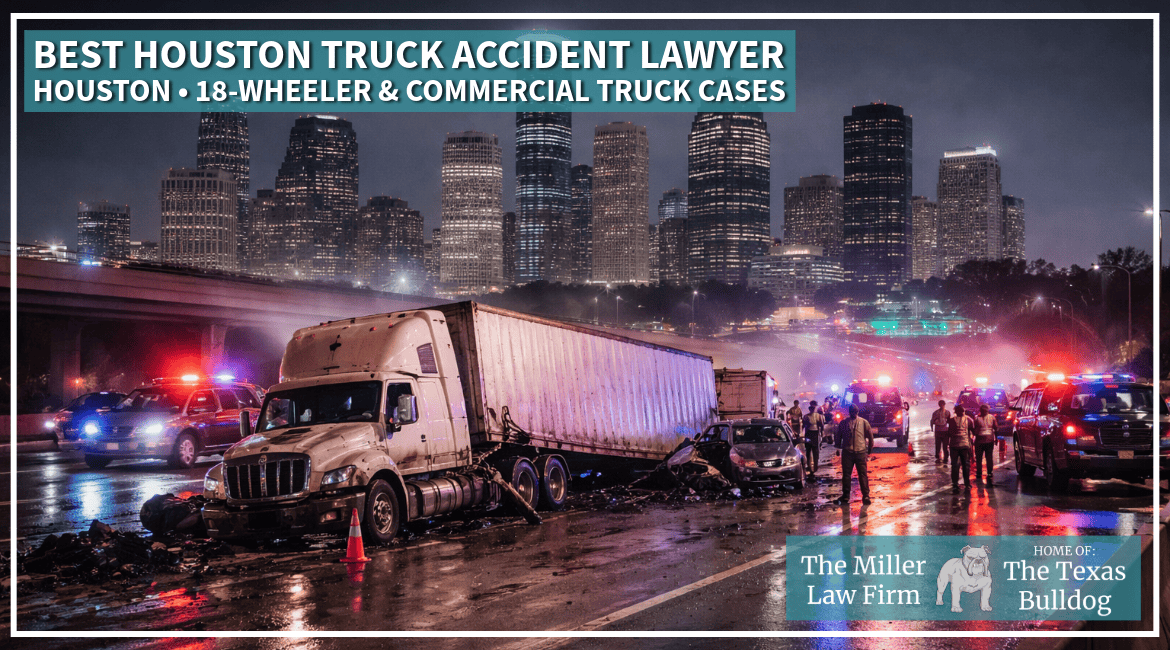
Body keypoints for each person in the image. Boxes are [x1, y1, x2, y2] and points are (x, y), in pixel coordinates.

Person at [834, 404, 874, 505]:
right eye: (852, 412)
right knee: (848, 475)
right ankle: (847, 496)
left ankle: (865, 496)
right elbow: (838, 436)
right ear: (850, 412)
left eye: (854, 412)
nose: (854, 414)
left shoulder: (863, 422)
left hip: (858, 452)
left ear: (857, 412)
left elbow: (870, 436)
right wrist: (837, 447)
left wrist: (870, 447)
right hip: (849, 452)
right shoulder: (844, 423)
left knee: (860, 475)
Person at [948, 404, 975, 493]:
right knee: (966, 465)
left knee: (955, 465)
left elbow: (949, 433)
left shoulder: (951, 420)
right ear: (964, 412)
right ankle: (967, 484)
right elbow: (973, 431)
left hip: (954, 445)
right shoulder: (969, 420)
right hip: (965, 445)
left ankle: (955, 484)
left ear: (955, 412)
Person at [972, 403, 998, 485]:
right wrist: (996, 438)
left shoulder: (977, 419)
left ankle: (979, 473)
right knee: (989, 457)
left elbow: (974, 430)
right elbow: (996, 428)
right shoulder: (992, 418)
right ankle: (989, 472)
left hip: (979, 441)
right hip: (989, 440)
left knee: (979, 458)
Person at [803, 400, 826, 476]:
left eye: (814, 407)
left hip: (815, 434)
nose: (813, 409)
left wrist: (821, 434)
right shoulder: (806, 416)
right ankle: (809, 466)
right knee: (808, 451)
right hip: (809, 434)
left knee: (815, 451)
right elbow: (804, 425)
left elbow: (821, 425)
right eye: (812, 408)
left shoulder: (818, 416)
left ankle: (815, 466)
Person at [931, 399, 952, 465]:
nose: (942, 405)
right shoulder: (947, 412)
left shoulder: (936, 413)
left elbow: (932, 421)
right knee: (942, 445)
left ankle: (940, 457)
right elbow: (949, 422)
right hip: (943, 431)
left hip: (940, 431)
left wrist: (932, 428)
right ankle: (943, 457)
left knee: (941, 445)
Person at [786, 399, 805, 467]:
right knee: (793, 432)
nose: (796, 404)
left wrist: (801, 422)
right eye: (795, 403)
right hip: (793, 423)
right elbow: (789, 414)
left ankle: (798, 440)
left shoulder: (799, 409)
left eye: (797, 403)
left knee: (798, 433)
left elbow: (801, 416)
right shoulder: (791, 409)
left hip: (798, 423)